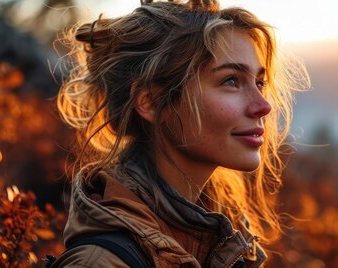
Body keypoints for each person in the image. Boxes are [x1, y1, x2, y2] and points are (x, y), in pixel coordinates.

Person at [49, 0, 308, 267]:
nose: (263, 106)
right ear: (149, 101)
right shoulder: (101, 263)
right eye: (231, 80)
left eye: (259, 82)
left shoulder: (219, 236)